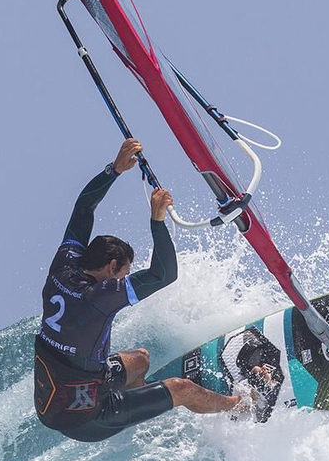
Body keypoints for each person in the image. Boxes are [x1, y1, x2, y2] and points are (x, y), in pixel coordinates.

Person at [33, 138, 251, 441]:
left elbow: (84, 208)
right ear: (111, 267)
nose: (125, 278)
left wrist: (114, 170)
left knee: (141, 359)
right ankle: (239, 406)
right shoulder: (100, 296)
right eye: (125, 272)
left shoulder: (64, 265)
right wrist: (157, 220)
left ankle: (149, 403)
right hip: (86, 418)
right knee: (181, 388)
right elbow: (164, 275)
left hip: (53, 401)